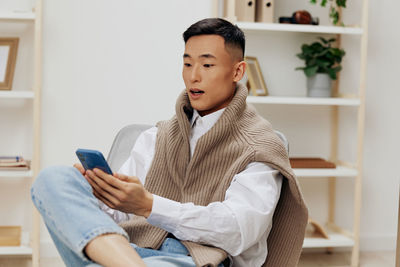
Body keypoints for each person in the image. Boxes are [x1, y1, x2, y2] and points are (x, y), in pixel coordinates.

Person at [31, 18, 307, 267]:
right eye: (187, 64)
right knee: (55, 179)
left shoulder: (260, 146)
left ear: (237, 72)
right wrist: (100, 195)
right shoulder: (156, 136)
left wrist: (149, 205)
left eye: (207, 65)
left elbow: (237, 231)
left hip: (195, 261)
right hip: (130, 250)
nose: (193, 76)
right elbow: (116, 220)